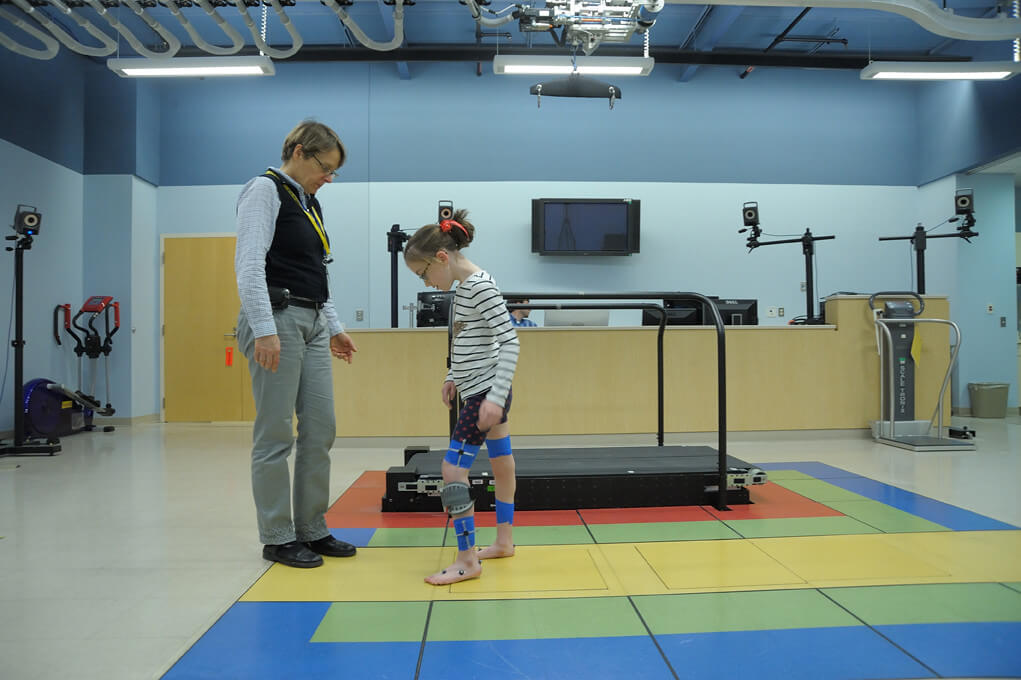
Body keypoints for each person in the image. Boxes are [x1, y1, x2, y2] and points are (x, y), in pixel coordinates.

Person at [234, 120, 359, 569]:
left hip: (311, 320)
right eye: (325, 168)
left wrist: (335, 326)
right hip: (277, 319)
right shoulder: (264, 190)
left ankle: (311, 527)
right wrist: (263, 328)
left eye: (333, 173)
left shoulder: (310, 204)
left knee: (320, 428)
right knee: (274, 434)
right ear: (300, 152)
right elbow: (248, 265)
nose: (328, 179)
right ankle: (277, 535)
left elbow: (315, 273)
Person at [404, 209, 520, 585]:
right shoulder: (464, 288)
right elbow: (468, 337)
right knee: (501, 462)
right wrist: (452, 374)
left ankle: (467, 560)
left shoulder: (479, 286)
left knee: (453, 471)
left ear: (442, 258)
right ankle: (504, 541)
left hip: (487, 393)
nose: (425, 281)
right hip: (476, 389)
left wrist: (495, 398)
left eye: (423, 274)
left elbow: (511, 342)